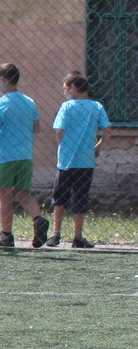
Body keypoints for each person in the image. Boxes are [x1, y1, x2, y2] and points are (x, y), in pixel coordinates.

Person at [0, 62, 45, 249]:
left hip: (5, 156)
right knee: (23, 192)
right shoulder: (29, 102)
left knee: (5, 196)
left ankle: (6, 235)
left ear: (3, 80)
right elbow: (37, 127)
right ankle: (38, 219)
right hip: (25, 156)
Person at [49, 71, 109, 249]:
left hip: (66, 162)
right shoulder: (96, 107)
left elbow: (59, 130)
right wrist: (98, 146)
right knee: (81, 197)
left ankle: (56, 234)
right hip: (86, 161)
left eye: (65, 88)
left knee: (60, 197)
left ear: (74, 87)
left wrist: (62, 146)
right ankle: (78, 236)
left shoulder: (66, 107)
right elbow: (107, 130)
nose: (64, 92)